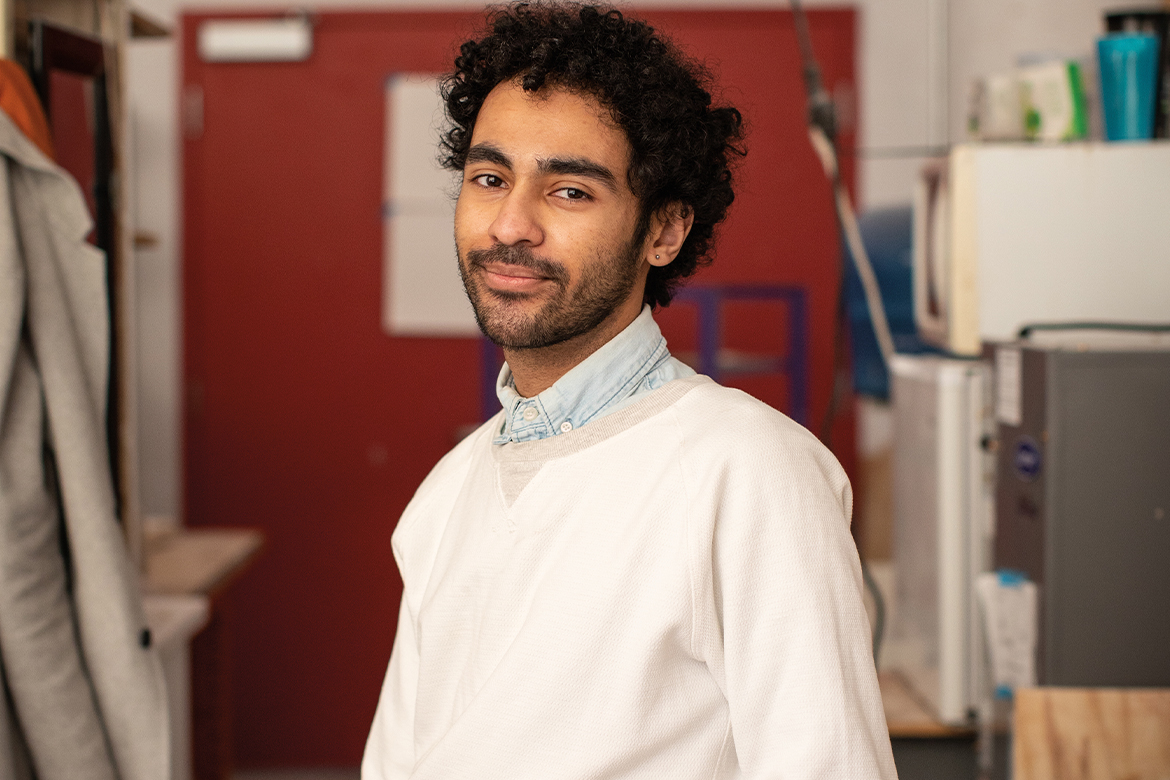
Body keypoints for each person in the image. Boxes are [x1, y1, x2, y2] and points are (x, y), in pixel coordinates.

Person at [362, 3, 897, 778]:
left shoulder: (750, 476)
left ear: (664, 231)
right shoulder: (447, 496)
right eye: (489, 177)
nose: (511, 223)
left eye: (570, 191)